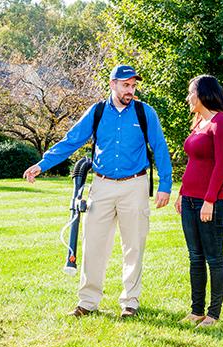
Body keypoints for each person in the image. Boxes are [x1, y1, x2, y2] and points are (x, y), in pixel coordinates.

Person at [23, 65, 172, 318]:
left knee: (133, 246)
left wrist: (164, 185)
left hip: (135, 185)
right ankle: (88, 302)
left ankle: (130, 303)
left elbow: (160, 148)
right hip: (101, 186)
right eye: (126, 85)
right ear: (113, 84)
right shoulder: (97, 112)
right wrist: (42, 164)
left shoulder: (145, 113)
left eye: (133, 85)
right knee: (93, 244)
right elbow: (72, 140)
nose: (130, 90)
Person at [174, 75, 223, 328]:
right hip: (190, 200)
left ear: (203, 94)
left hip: (211, 202)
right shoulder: (199, 122)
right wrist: (182, 192)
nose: (188, 97)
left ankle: (213, 314)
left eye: (191, 92)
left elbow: (221, 166)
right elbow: (194, 162)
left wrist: (209, 200)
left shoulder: (221, 123)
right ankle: (196, 311)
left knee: (214, 258)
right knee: (195, 257)